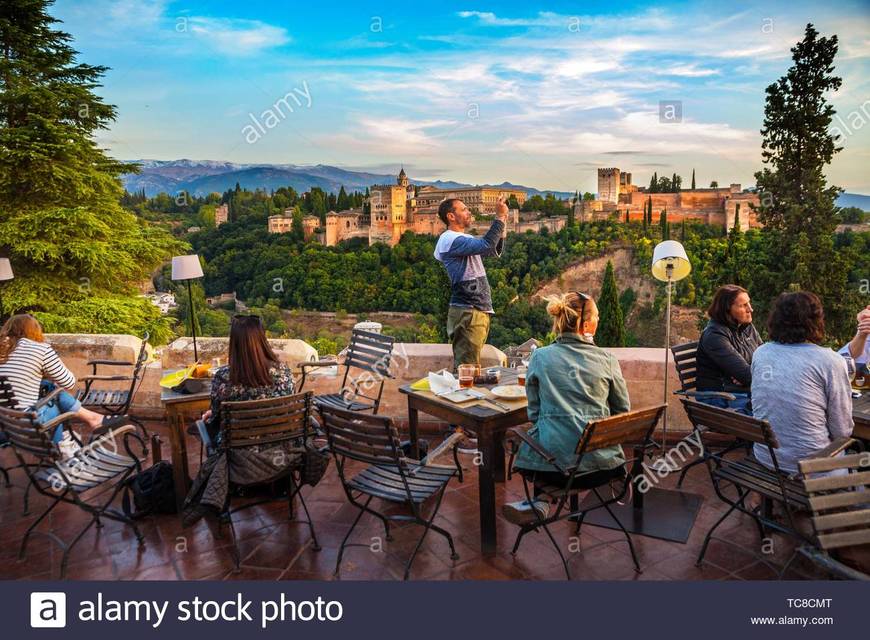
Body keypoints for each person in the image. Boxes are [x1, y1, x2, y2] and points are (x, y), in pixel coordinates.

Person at [503, 292, 630, 524]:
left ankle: (540, 501)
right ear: (587, 324)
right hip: (603, 468)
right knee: (558, 440)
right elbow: (622, 412)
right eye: (597, 316)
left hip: (555, 471)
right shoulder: (608, 360)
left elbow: (534, 413)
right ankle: (542, 501)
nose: (599, 320)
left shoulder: (540, 357)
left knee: (543, 438)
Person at [184, 314, 302, 525]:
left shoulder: (224, 377)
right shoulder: (283, 372)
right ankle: (282, 487)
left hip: (239, 460)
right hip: (282, 454)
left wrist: (214, 413)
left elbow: (217, 413)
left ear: (234, 343)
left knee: (206, 427)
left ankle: (221, 501)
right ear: (262, 339)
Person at [750, 292, 853, 476]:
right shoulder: (830, 361)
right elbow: (842, 431)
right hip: (812, 468)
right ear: (816, 320)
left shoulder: (761, 353)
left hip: (767, 458)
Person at [434, 196, 507, 451]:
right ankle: (460, 433)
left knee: (469, 370)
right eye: (464, 209)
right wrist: (499, 217)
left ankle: (465, 428)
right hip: (468, 312)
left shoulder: (458, 240)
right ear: (451, 217)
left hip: (474, 311)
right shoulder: (450, 239)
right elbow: (488, 245)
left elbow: (494, 249)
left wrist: (503, 223)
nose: (469, 212)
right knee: (465, 372)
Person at [0, 314, 123, 457]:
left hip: (3, 427)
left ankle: (83, 428)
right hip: (23, 427)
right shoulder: (40, 349)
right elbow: (69, 382)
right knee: (56, 401)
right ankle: (60, 453)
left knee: (47, 387)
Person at [695, 285, 762, 414]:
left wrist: (749, 372)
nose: (751, 309)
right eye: (744, 305)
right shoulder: (715, 336)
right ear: (727, 309)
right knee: (774, 411)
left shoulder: (747, 327)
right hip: (720, 398)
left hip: (743, 391)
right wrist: (747, 374)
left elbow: (765, 359)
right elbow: (747, 376)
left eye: (749, 303)